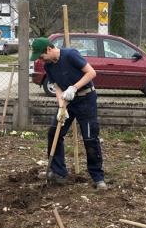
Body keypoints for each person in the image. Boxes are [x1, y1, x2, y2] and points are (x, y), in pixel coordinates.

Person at [30, 37, 107, 190]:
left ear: (48, 49)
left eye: (41, 56)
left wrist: (73, 88)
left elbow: (91, 73)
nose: (41, 59)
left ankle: (98, 177)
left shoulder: (70, 54)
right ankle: (58, 172)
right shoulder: (49, 66)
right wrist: (61, 107)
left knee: (90, 138)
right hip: (68, 103)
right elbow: (57, 86)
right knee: (54, 133)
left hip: (86, 99)